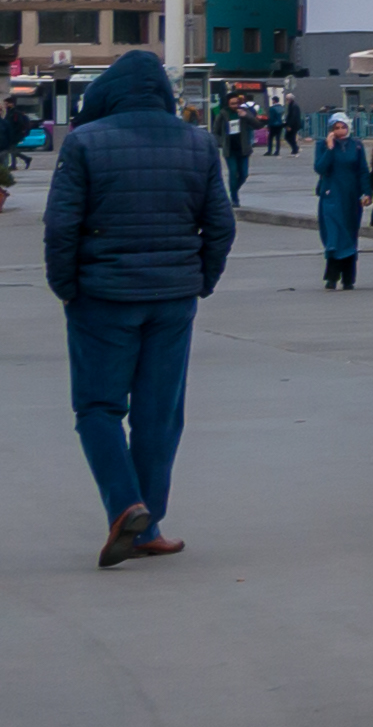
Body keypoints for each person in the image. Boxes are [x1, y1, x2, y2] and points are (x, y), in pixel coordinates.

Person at [41, 45, 236, 568]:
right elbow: (221, 224)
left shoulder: (84, 142)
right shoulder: (198, 142)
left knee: (99, 408)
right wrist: (200, 281)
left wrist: (66, 287)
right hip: (172, 301)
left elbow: (61, 225)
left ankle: (127, 506)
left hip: (102, 297)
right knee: (159, 414)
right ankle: (149, 524)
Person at [315, 113, 372, 290]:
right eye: (336, 128)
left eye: (343, 127)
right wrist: (330, 148)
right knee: (333, 233)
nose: (340, 131)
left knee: (349, 234)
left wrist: (367, 192)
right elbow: (320, 168)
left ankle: (348, 277)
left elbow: (363, 170)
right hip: (331, 194)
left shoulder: (356, 145)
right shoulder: (322, 145)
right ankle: (331, 276)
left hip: (350, 196)